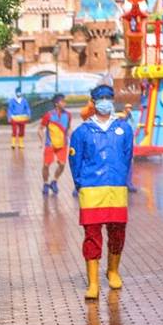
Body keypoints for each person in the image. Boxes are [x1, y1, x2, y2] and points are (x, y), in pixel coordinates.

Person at [68, 83, 133, 300]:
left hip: (116, 187)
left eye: (108, 98)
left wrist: (120, 177)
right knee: (92, 234)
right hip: (91, 189)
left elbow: (127, 156)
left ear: (112, 100)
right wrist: (82, 185)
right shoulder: (82, 132)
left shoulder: (124, 129)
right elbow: (75, 162)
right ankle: (93, 283)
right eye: (101, 98)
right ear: (93, 102)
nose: (105, 102)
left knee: (117, 231)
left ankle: (113, 270)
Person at [40, 93, 71, 195]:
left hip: (63, 144)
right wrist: (42, 141)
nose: (65, 103)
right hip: (50, 144)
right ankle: (45, 183)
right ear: (56, 103)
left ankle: (54, 181)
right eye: (62, 101)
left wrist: (71, 138)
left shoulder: (68, 115)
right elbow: (40, 129)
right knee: (46, 165)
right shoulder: (48, 115)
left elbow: (68, 128)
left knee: (62, 164)